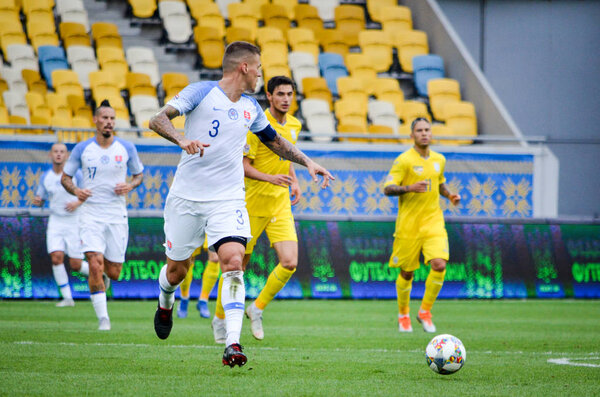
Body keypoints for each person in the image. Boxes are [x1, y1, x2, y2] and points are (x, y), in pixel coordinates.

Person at [149, 41, 333, 367]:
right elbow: (157, 119)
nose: (261, 74)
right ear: (244, 68)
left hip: (229, 198)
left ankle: (232, 343)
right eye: (259, 68)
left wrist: (308, 163)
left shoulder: (250, 108)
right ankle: (165, 301)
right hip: (187, 198)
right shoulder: (201, 92)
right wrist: (181, 139)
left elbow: (275, 141)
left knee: (234, 261)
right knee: (177, 271)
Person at [210, 76, 302, 342]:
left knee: (290, 262)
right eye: (281, 94)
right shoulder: (256, 124)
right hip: (250, 205)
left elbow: (288, 154)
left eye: (290, 94)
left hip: (280, 204)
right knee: (235, 268)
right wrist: (270, 178)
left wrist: (293, 180)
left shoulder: (294, 124)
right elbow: (243, 166)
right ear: (269, 96)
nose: (286, 99)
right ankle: (219, 318)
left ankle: (256, 308)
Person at [61, 100, 144, 331]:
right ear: (95, 121)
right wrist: (77, 190)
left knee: (114, 272)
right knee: (95, 264)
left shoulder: (126, 148)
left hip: (117, 215)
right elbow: (65, 178)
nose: (109, 122)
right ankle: (103, 320)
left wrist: (130, 185)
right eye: (104, 118)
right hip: (91, 214)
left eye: (112, 118)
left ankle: (102, 280)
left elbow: (139, 175)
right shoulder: (82, 149)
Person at [383, 118, 461, 333]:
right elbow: (387, 188)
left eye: (427, 130)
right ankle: (403, 314)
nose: (424, 133)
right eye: (419, 130)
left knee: (439, 264)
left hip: (433, 222)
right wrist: (409, 187)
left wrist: (449, 195)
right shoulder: (403, 160)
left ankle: (425, 311)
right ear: (412, 135)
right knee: (407, 273)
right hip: (409, 226)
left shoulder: (439, 159)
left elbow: (439, 182)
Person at [33, 143, 90, 307]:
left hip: (74, 221)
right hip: (56, 220)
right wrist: (38, 201)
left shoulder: (76, 174)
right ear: (50, 155)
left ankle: (99, 273)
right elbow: (41, 197)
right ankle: (67, 298)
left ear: (66, 156)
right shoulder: (46, 177)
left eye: (62, 152)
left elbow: (87, 193)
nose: (59, 154)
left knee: (76, 264)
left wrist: (77, 203)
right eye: (56, 152)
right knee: (56, 257)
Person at [177, 239, 220, 319]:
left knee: (215, 258)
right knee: (188, 258)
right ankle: (184, 298)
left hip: (211, 226)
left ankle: (203, 300)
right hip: (193, 226)